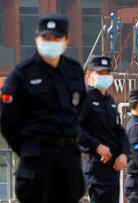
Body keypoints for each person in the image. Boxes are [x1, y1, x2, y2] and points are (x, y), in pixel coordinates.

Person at [0, 14, 85, 203]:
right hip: (37, 160)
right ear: (36, 39)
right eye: (46, 38)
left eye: (56, 38)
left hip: (68, 160)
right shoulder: (22, 74)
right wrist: (29, 148)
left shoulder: (74, 71)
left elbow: (80, 111)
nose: (51, 43)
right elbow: (8, 122)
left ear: (66, 40)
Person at [78, 55, 130, 203]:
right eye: (100, 73)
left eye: (108, 73)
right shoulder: (85, 99)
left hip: (113, 168)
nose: (105, 77)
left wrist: (125, 154)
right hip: (96, 167)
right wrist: (97, 146)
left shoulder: (110, 101)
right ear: (89, 75)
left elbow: (120, 131)